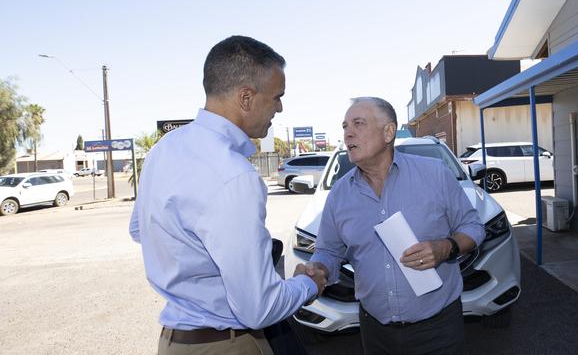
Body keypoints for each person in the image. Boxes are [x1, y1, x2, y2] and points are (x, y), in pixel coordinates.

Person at [129, 35, 326, 355]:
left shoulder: (164, 149)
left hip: (174, 342)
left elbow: (139, 230)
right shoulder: (235, 175)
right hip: (226, 344)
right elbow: (259, 308)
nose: (280, 107)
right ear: (246, 98)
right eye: (277, 96)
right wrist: (308, 285)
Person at [309, 97, 485, 355]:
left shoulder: (434, 174)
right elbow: (329, 251)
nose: (348, 133)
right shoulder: (339, 193)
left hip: (438, 328)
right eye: (345, 126)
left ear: (388, 132)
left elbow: (473, 227)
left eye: (358, 123)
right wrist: (318, 269)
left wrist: (445, 248)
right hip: (375, 330)